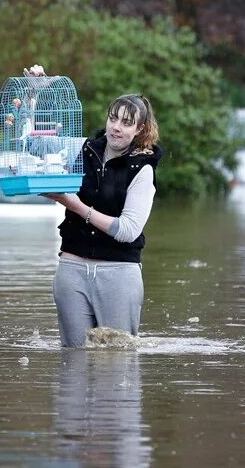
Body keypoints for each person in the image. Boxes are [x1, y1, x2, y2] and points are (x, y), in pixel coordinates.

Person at [43, 94, 163, 348]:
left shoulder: (142, 169)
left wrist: (74, 205)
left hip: (119, 273)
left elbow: (128, 231)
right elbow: (35, 145)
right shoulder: (82, 149)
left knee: (117, 367)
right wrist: (36, 90)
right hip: (71, 269)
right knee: (73, 363)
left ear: (140, 128)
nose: (116, 127)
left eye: (127, 123)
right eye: (113, 118)